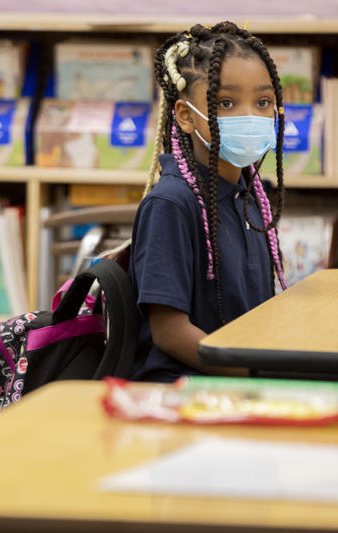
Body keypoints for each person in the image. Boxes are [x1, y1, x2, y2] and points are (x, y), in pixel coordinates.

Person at [130, 22, 287, 382]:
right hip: (182, 389)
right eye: (226, 103)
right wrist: (258, 374)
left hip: (240, 378)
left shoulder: (250, 195)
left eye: (263, 102)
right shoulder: (171, 203)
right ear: (186, 115)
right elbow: (170, 333)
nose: (249, 115)